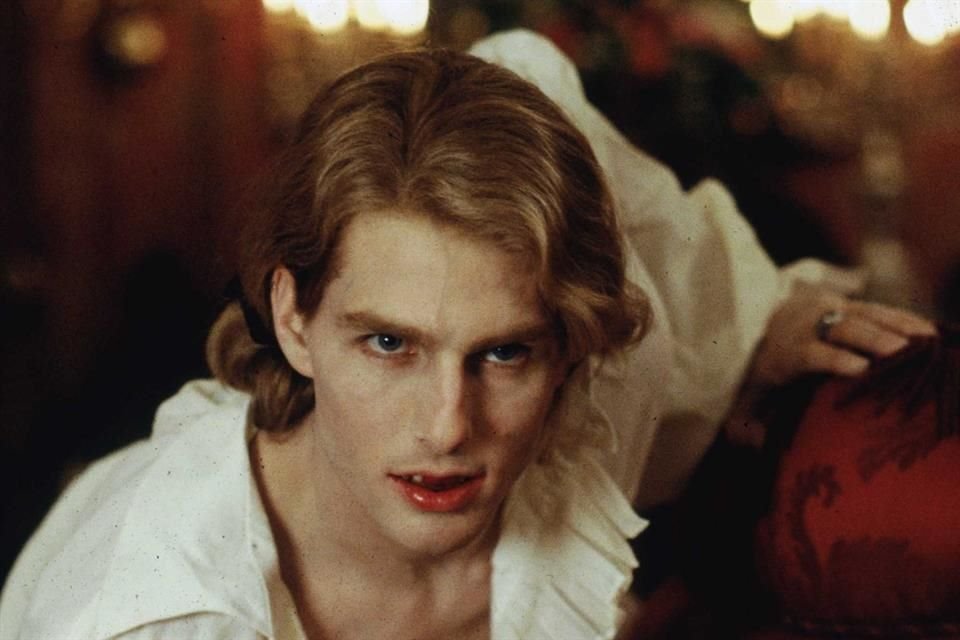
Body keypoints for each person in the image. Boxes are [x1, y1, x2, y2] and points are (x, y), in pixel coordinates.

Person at [0, 30, 934, 640]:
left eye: (503, 352)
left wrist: (769, 316)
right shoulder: (147, 613)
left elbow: (539, 85)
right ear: (292, 319)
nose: (450, 426)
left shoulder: (593, 400)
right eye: (388, 344)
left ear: (570, 348)